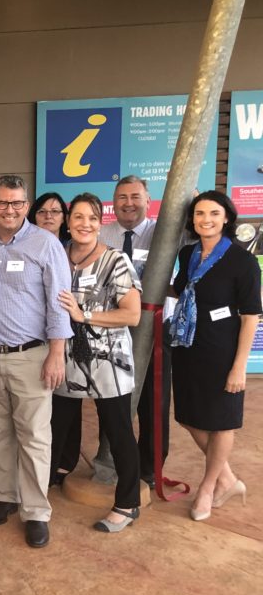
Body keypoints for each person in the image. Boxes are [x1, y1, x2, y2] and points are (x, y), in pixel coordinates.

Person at [0, 175, 72, 549]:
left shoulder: (46, 244)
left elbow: (59, 304)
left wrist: (57, 352)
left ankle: (36, 510)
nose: (10, 210)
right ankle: (4, 495)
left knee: (35, 435)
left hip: (32, 355)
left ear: (26, 206)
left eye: (17, 204)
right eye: (2, 203)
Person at [49, 194, 142, 533]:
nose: (83, 223)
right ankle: (47, 480)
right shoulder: (58, 256)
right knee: (56, 424)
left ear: (100, 222)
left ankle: (128, 503)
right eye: (77, 217)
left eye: (91, 217)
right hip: (65, 358)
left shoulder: (115, 260)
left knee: (118, 432)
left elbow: (131, 314)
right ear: (67, 220)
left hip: (109, 362)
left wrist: (83, 314)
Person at [169, 191, 261, 522]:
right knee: (188, 416)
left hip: (223, 349)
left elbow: (251, 315)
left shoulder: (242, 260)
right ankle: (228, 479)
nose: (205, 219)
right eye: (198, 213)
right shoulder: (188, 253)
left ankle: (208, 487)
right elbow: (180, 288)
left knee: (221, 420)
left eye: (213, 213)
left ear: (226, 217)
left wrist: (239, 367)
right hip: (187, 344)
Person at [99, 175, 166, 485]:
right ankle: (109, 461)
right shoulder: (102, 233)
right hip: (111, 332)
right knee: (112, 399)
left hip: (153, 333)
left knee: (153, 404)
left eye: (135, 196)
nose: (128, 203)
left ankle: (150, 469)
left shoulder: (164, 231)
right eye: (122, 197)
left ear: (147, 201)